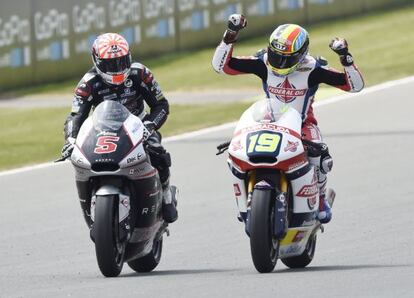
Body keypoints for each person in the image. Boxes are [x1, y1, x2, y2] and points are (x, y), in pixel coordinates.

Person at [212, 15, 364, 223]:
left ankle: (320, 199)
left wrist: (346, 58)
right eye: (276, 55)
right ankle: (246, 200)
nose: (279, 62)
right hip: (269, 120)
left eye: (287, 58)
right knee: (237, 153)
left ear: (301, 55)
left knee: (320, 156)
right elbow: (223, 66)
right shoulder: (262, 62)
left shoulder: (314, 68)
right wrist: (231, 34)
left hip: (302, 124)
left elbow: (354, 86)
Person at [61, 33, 178, 224]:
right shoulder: (88, 83)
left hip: (138, 127)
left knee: (159, 153)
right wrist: (71, 139)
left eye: (121, 62)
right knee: (82, 162)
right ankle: (94, 208)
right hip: (102, 132)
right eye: (110, 64)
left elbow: (161, 105)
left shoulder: (140, 73)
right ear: (97, 62)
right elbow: (75, 116)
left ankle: (165, 194)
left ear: (129, 57)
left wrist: (150, 124)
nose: (117, 69)